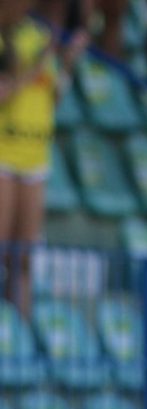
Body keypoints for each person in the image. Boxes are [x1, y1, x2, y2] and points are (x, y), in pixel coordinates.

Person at [0, 0, 74, 315]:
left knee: (25, 258)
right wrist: (34, 67)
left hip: (35, 157)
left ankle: (20, 331)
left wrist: (66, 64)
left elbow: (52, 97)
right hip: (4, 154)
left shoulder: (43, 37)